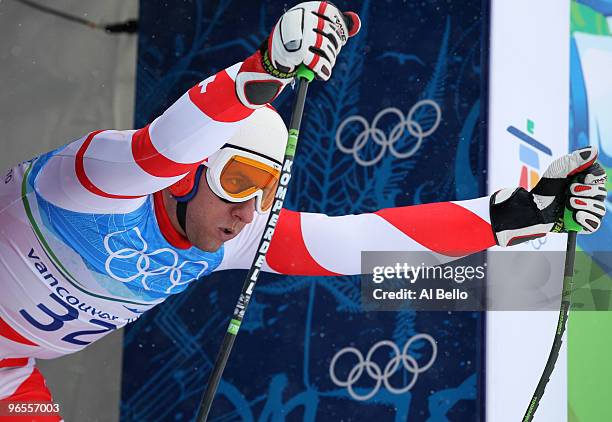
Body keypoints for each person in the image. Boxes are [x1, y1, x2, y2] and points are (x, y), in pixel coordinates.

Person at [0, 1, 607, 420]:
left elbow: (358, 242)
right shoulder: (100, 180)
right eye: (238, 181)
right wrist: (265, 69)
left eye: (265, 193)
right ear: (189, 176)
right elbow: (160, 148)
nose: (248, 214)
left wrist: (517, 215)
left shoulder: (232, 235)